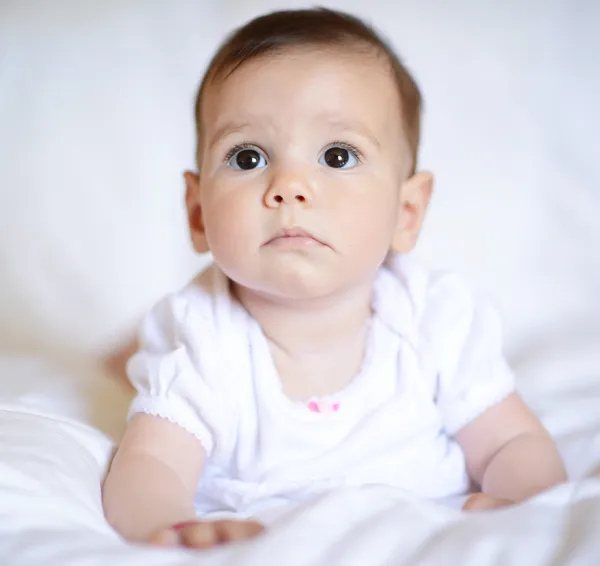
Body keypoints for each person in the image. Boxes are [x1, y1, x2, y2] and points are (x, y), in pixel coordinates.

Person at [102, 7, 567, 550]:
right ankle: (123, 355)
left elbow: (511, 442)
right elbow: (151, 463)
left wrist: (523, 502)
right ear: (198, 212)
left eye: (338, 155)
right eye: (248, 156)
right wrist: (173, 527)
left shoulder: (432, 321)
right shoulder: (201, 339)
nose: (290, 185)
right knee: (144, 360)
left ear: (407, 212)